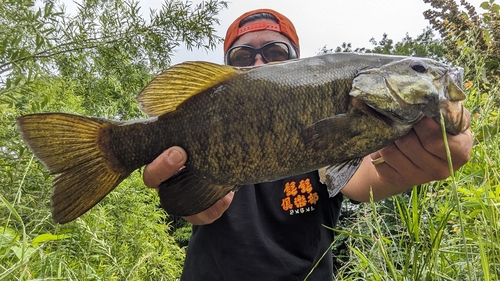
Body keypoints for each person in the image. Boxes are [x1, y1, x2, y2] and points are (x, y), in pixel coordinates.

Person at [143, 9, 473, 280]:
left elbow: (367, 178)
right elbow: (186, 194)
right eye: (243, 56)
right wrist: (188, 199)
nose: (259, 64)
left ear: (297, 64)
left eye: (275, 53)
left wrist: (406, 169)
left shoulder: (340, 124)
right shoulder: (206, 119)